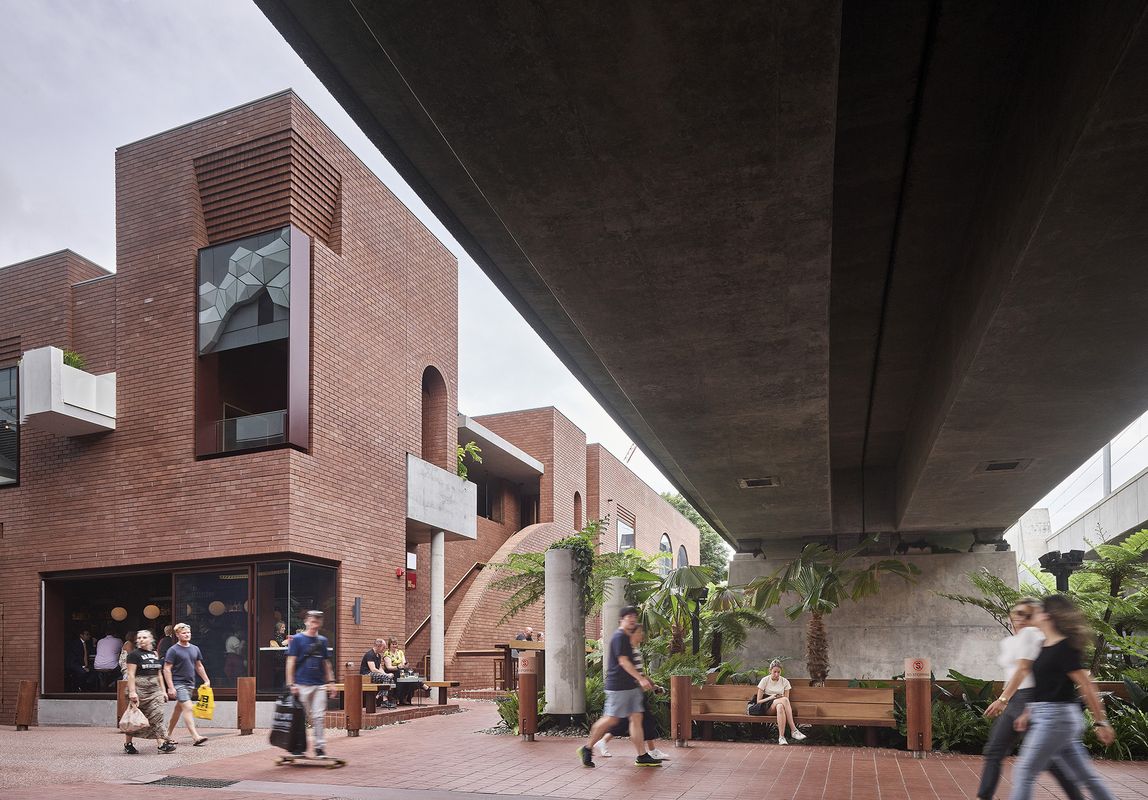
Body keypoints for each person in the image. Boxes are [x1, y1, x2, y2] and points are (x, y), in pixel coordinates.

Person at [1008, 595, 1117, 800]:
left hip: (1056, 719)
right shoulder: (1043, 646)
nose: (1034, 615)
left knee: (1024, 772)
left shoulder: (1065, 648)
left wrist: (1101, 721)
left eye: (1038, 611)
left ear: (1048, 616)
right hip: (1051, 718)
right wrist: (1028, 712)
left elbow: (1086, 684)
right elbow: (1047, 687)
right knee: (1086, 776)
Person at [977, 599, 1083, 800]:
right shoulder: (1010, 641)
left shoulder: (1032, 635)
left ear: (1036, 617)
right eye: (1017, 613)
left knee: (999, 750)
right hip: (1019, 697)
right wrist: (1007, 693)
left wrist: (1002, 699)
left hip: (1028, 698)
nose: (1020, 618)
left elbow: (1024, 669)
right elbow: (1012, 671)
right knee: (1044, 757)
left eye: (1027, 614)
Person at [579, 606, 662, 767]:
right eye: (628, 616)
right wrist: (641, 679)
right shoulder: (619, 637)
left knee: (636, 718)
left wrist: (642, 681)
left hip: (631, 687)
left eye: (634, 616)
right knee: (611, 719)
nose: (632, 619)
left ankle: (642, 755)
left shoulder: (626, 637)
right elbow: (623, 661)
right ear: (621, 620)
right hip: (618, 686)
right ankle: (587, 748)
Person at [595, 625, 672, 760]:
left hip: (632, 692)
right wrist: (653, 687)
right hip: (631, 692)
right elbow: (639, 675)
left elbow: (641, 675)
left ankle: (603, 741)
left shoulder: (633, 650)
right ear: (631, 635)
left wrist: (654, 686)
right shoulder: (630, 652)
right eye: (639, 632)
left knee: (624, 721)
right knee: (644, 721)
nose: (641, 635)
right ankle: (650, 752)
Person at [286, 609, 337, 757]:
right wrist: (291, 684)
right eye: (312, 621)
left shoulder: (322, 641)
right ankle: (298, 748)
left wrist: (331, 682)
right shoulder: (297, 639)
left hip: (319, 684)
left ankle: (319, 748)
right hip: (301, 684)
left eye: (317, 621)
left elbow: (326, 663)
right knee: (300, 717)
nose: (315, 624)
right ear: (306, 622)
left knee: (319, 717)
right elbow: (291, 662)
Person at [123, 630, 176, 754]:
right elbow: (130, 674)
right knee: (134, 718)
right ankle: (128, 743)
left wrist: (163, 690)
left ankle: (161, 744)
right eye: (139, 637)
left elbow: (159, 674)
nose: (141, 639)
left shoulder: (154, 654)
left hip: (154, 689)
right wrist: (132, 692)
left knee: (157, 715)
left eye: (144, 637)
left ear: (151, 640)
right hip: (139, 688)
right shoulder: (134, 655)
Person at [163, 622, 211, 747]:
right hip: (179, 684)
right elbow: (167, 669)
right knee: (188, 707)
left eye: (188, 632)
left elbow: (198, 666)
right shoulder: (173, 650)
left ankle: (166, 735)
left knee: (178, 710)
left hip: (190, 684)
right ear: (177, 634)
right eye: (184, 633)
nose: (187, 635)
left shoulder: (195, 648)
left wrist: (206, 680)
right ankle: (195, 736)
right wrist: (171, 687)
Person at [756, 660, 805, 745]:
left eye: (779, 672)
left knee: (780, 706)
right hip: (767, 707)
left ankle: (781, 737)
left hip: (779, 706)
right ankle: (793, 730)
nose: (777, 674)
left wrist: (779, 699)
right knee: (784, 700)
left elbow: (786, 701)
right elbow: (758, 701)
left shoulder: (785, 681)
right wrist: (771, 697)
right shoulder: (765, 680)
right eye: (774, 672)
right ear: (770, 670)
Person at [360, 638, 396, 709]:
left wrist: (386, 674)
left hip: (373, 674)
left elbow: (380, 668)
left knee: (391, 679)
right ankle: (381, 700)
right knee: (387, 677)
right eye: (383, 647)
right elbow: (373, 669)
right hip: (366, 675)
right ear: (378, 646)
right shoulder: (370, 654)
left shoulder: (378, 656)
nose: (384, 649)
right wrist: (386, 675)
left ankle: (380, 698)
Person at [386, 639, 415, 705]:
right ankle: (422, 685)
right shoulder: (387, 653)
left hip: (401, 670)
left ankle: (404, 698)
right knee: (402, 676)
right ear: (389, 645)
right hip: (392, 671)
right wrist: (398, 667)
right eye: (393, 644)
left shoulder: (400, 652)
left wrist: (405, 665)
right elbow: (389, 667)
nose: (395, 645)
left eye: (396, 644)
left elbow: (403, 663)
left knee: (410, 673)